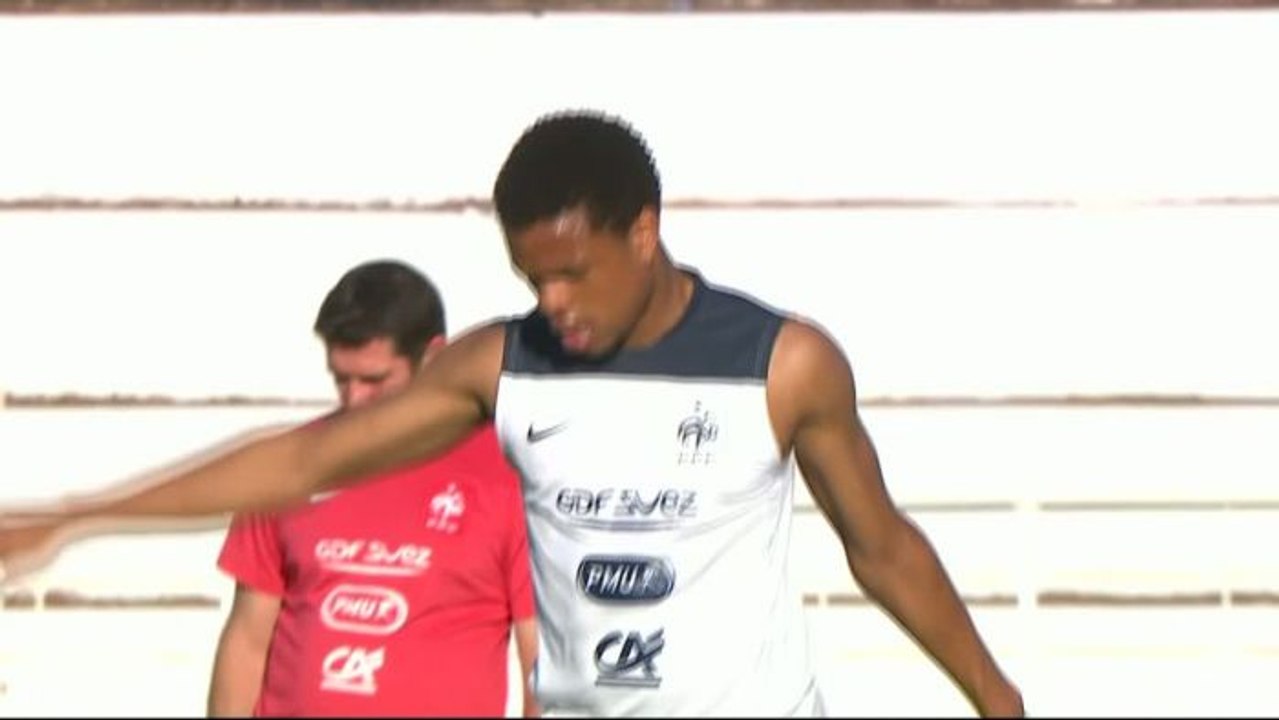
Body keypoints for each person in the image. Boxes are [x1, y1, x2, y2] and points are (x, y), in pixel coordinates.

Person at [1, 111, 1024, 717]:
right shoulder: (504, 366)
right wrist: (84, 514)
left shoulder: (783, 364)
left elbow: (882, 548)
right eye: (533, 279)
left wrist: (996, 698)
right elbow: (304, 463)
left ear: (643, 231)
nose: (554, 303)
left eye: (573, 273)